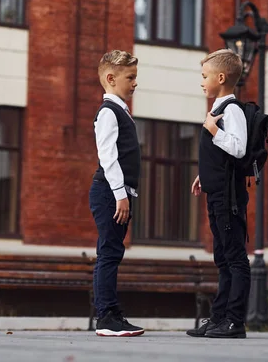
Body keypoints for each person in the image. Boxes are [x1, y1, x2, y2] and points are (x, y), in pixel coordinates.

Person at [186, 49, 251, 339]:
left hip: (230, 199)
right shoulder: (217, 108)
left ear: (221, 78)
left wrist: (214, 130)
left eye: (204, 76)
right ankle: (217, 319)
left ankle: (235, 321)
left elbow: (238, 148)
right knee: (222, 259)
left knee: (235, 259)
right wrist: (205, 175)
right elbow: (221, 157)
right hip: (217, 193)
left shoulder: (232, 110)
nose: (201, 81)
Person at [89, 50, 144, 337]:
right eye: (130, 77)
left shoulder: (120, 110)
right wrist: (120, 194)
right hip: (109, 193)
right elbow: (108, 156)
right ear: (110, 79)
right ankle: (107, 318)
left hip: (117, 193)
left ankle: (111, 313)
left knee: (112, 252)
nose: (135, 83)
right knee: (109, 253)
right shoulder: (109, 112)